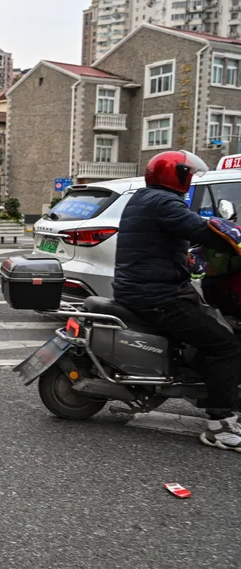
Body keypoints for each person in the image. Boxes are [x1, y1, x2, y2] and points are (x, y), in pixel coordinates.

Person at [113, 149, 241, 451]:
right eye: (189, 174)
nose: (190, 179)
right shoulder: (163, 202)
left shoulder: (147, 198)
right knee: (225, 345)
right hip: (157, 296)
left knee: (209, 324)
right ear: (178, 176)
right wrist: (231, 235)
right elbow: (199, 228)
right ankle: (219, 426)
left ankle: (207, 386)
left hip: (146, 288)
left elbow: (181, 233)